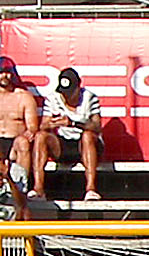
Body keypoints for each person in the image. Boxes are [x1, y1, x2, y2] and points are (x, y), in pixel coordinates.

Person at [33, 67, 104, 200]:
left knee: (88, 136)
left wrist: (73, 123)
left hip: (85, 145)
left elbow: (96, 126)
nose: (67, 97)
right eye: (64, 93)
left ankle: (91, 189)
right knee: (41, 136)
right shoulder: (53, 98)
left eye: (70, 93)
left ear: (78, 87)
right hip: (62, 143)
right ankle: (38, 188)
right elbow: (43, 125)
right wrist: (52, 123)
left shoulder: (90, 98)